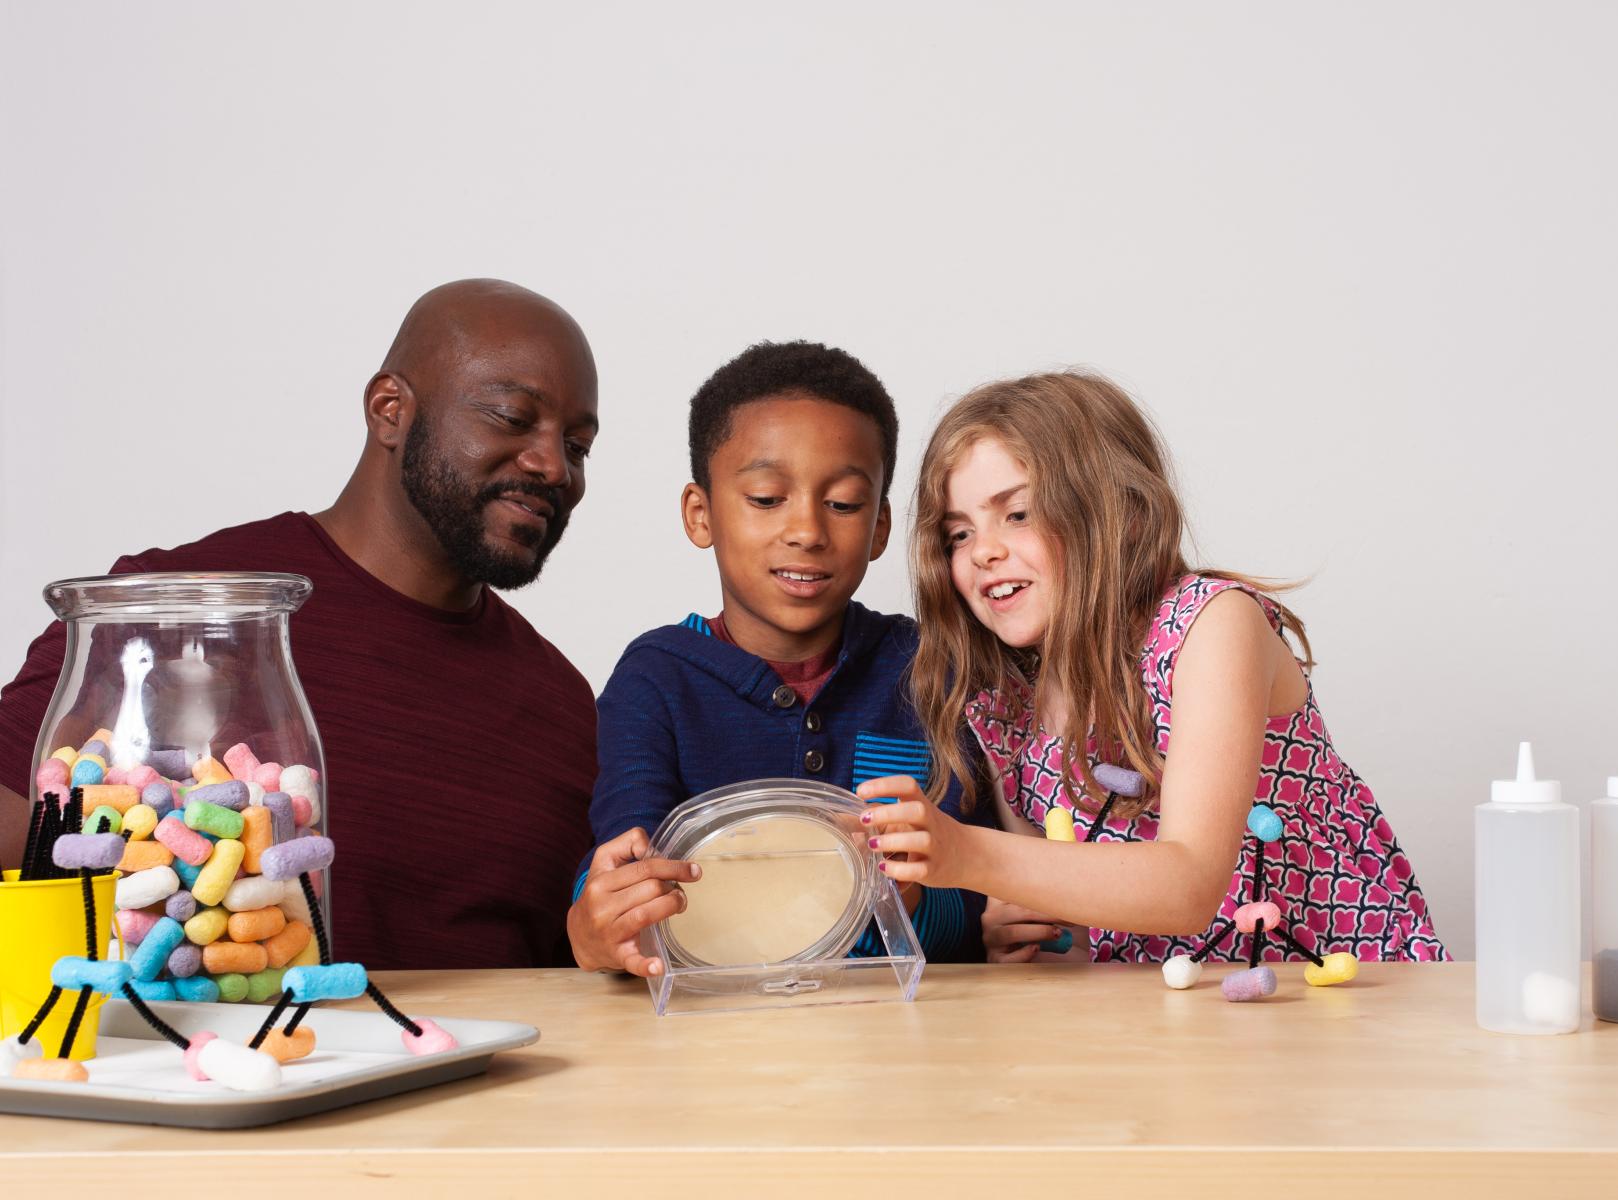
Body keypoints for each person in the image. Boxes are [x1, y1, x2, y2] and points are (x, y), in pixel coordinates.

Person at [0, 279, 601, 969]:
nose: (553, 466)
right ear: (389, 410)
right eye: (512, 416)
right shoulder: (166, 614)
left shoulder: (563, 707)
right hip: (195, 1062)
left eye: (578, 446)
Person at [858, 371, 1445, 964]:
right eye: (959, 533)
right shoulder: (1003, 704)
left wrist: (969, 855)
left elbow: (1187, 886)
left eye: (1018, 514)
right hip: (1164, 1026)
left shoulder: (1213, 627)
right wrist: (1029, 927)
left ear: (1119, 512)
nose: (982, 550)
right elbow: (1075, 921)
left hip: (1337, 1003)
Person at [568, 341, 988, 976]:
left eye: (843, 503)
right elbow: (623, 866)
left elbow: (976, 903)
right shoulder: (656, 677)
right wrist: (597, 925)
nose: (808, 532)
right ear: (700, 514)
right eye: (767, 498)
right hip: (710, 1041)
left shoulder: (927, 669)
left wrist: (917, 901)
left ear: (879, 527)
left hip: (897, 1041)